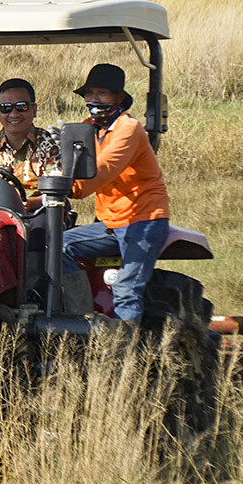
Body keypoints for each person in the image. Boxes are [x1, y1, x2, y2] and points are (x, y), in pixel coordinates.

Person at [61, 63, 170, 322]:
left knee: (126, 289)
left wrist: (68, 187)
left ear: (119, 98)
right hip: (111, 222)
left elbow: (103, 168)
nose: (94, 100)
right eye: (90, 93)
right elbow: (71, 164)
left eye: (103, 94)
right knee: (58, 245)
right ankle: (82, 320)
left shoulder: (128, 129)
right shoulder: (87, 128)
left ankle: (124, 356)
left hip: (144, 219)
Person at [0, 78, 61, 212]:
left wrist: (30, 204)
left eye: (22, 107)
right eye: (6, 108)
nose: (14, 114)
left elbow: (59, 193)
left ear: (34, 109)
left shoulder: (51, 146)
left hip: (38, 216)